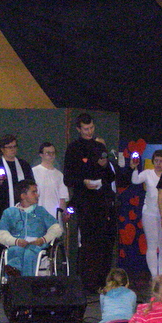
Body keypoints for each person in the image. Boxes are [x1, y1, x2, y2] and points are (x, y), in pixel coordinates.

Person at [63, 113, 117, 295]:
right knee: (88, 244)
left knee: (104, 243)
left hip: (102, 202)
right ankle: (86, 283)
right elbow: (68, 178)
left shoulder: (100, 146)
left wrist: (104, 165)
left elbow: (110, 176)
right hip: (85, 203)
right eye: (85, 129)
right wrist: (83, 182)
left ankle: (102, 281)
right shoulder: (73, 149)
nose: (89, 131)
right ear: (78, 129)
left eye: (91, 128)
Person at [0, 134, 34, 283]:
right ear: (2, 149)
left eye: (14, 147)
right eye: (9, 147)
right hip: (3, 212)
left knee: (23, 245)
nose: (13, 150)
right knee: (4, 246)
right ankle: (1, 281)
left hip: (23, 212)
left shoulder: (24, 165)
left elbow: (31, 187)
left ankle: (21, 280)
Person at [0, 179, 63, 277]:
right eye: (34, 192)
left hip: (37, 245)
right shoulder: (9, 213)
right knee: (15, 250)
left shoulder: (41, 211)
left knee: (29, 253)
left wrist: (43, 239)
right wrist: (16, 241)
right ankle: (14, 274)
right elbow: (1, 233)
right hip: (17, 244)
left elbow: (56, 228)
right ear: (23, 196)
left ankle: (26, 280)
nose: (37, 195)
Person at [129, 149, 162, 277]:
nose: (158, 163)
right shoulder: (148, 173)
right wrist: (135, 168)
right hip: (149, 214)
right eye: (156, 161)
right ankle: (154, 276)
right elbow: (135, 180)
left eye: (161, 161)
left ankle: (161, 274)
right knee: (152, 245)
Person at [32, 142, 69, 219]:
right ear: (41, 155)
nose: (51, 155)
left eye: (53, 153)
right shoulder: (33, 172)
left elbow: (62, 198)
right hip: (37, 216)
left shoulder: (59, 175)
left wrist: (63, 214)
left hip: (55, 216)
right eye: (47, 153)